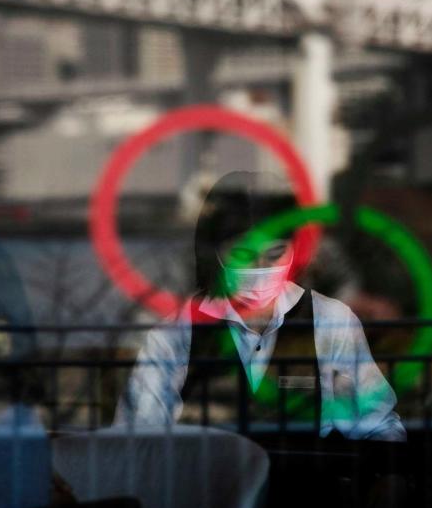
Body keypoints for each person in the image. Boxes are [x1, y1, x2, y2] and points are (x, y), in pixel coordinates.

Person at [115, 171, 405, 442]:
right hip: (211, 489)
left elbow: (376, 421)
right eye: (242, 254)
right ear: (216, 256)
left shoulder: (330, 320)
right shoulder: (178, 332)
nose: (260, 267)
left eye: (275, 253)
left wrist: (387, 474)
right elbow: (140, 430)